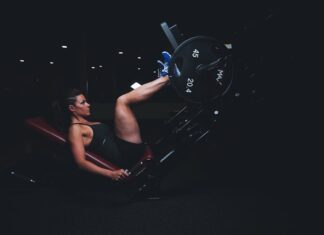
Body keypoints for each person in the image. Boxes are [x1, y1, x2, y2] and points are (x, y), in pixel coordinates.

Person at [66, 52, 172, 182]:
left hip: (123, 145)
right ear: (72, 108)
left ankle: (164, 79)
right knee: (122, 101)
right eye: (83, 103)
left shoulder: (85, 123)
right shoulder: (75, 130)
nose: (88, 105)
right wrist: (111, 174)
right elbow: (80, 162)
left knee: (128, 103)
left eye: (86, 101)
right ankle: (169, 77)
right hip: (125, 154)